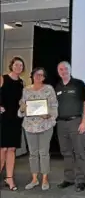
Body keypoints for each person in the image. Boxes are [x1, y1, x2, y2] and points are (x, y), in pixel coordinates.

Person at [18, 67, 58, 191]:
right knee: (33, 154)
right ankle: (34, 179)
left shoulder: (49, 89)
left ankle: (45, 178)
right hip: (29, 126)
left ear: (44, 77)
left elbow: (54, 106)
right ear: (32, 76)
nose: (38, 77)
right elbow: (22, 108)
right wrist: (22, 109)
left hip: (45, 125)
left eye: (41, 75)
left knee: (44, 153)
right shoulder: (26, 90)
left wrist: (50, 115)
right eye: (36, 74)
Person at [55, 61, 85, 192]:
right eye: (61, 69)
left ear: (70, 70)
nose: (63, 71)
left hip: (76, 122)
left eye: (66, 69)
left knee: (79, 152)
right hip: (61, 123)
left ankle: (81, 180)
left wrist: (84, 122)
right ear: (58, 71)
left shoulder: (79, 84)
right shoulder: (56, 86)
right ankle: (69, 179)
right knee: (66, 153)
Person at [0, 56, 25, 191]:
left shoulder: (22, 82)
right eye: (16, 65)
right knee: (2, 149)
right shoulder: (3, 78)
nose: (18, 67)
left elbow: (22, 101)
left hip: (15, 119)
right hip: (3, 118)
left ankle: (9, 178)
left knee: (12, 149)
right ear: (11, 66)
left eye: (21, 66)